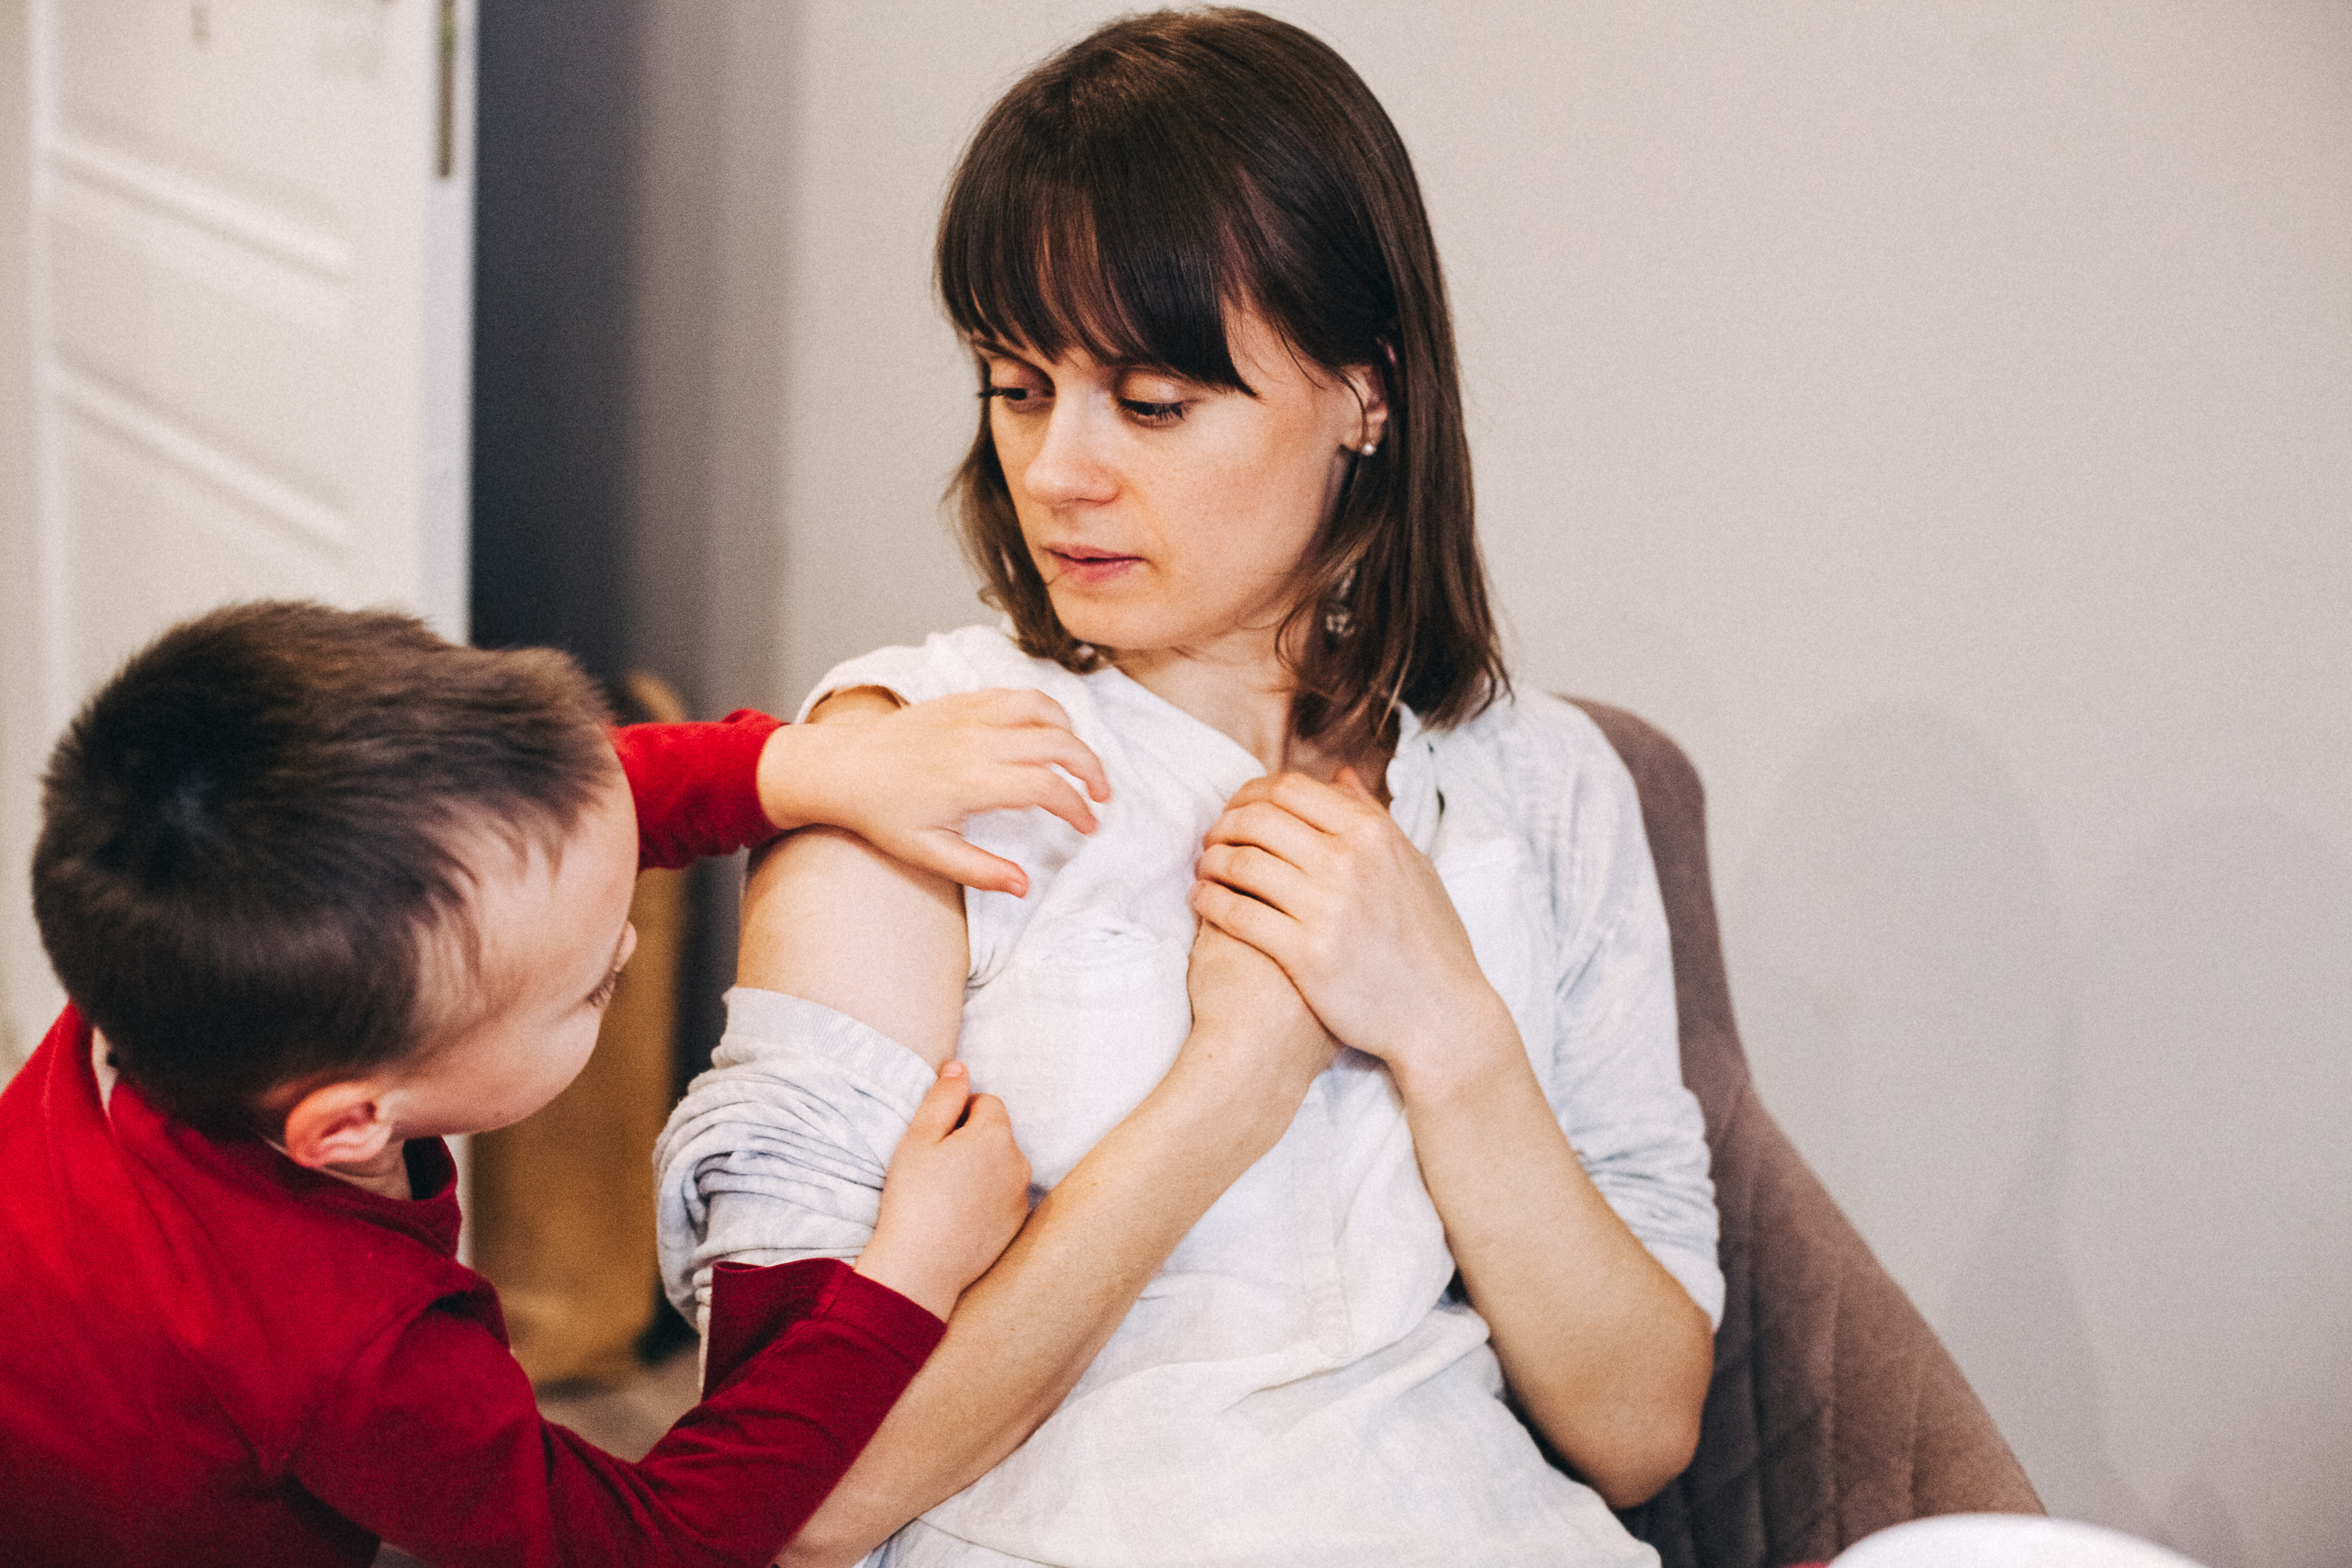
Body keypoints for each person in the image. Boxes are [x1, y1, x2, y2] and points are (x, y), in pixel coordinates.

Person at [656, 10, 1722, 1566]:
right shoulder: (912, 760)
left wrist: (1449, 1028)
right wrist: (1231, 1086)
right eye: (1017, 386)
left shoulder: (1543, 786)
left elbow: (1640, 1426)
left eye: (1152, 402)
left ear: (1367, 394)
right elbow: (785, 1499)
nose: (1059, 472)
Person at [0, 600, 1116, 1567]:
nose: (624, 942)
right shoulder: (352, 1355)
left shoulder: (185, 979)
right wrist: (908, 1272)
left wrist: (800, 769)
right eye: (590, 991)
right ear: (350, 1123)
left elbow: (568, 820)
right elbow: (645, 1544)